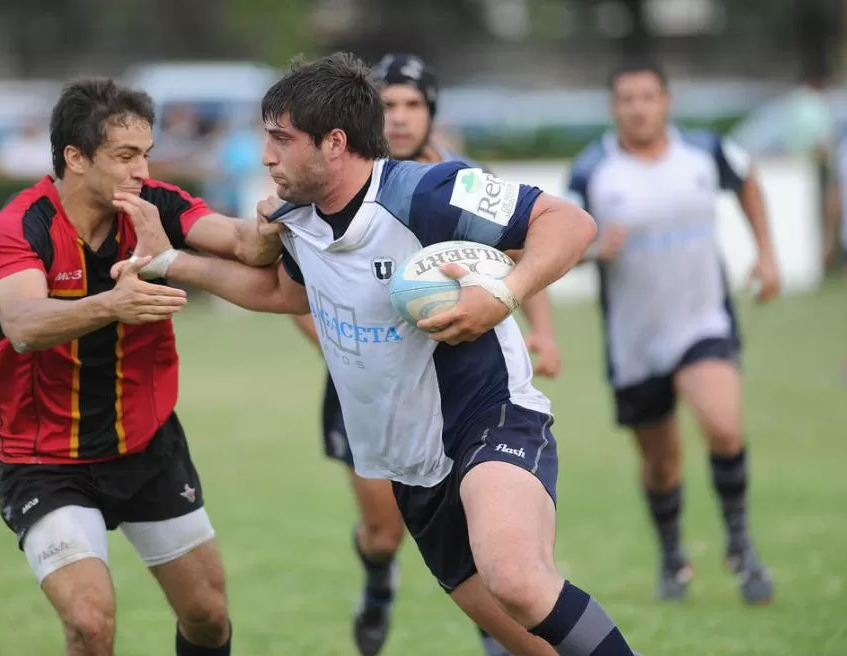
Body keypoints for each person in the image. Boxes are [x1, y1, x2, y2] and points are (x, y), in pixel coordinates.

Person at [120, 52, 638, 656]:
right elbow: (281, 291)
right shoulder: (298, 217)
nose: (266, 156)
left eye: (281, 140)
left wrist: (503, 294)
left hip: (489, 419)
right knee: (536, 647)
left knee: (517, 579)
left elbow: (569, 221)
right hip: (410, 464)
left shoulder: (428, 192)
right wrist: (166, 262)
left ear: (334, 143)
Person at [0, 77, 282, 656]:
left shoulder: (158, 206)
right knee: (90, 625)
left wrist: (270, 226)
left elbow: (244, 245)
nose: (142, 169)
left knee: (208, 617)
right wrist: (112, 305)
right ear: (75, 157)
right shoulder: (22, 225)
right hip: (46, 458)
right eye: (124, 156)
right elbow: (22, 325)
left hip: (146, 447)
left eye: (145, 153)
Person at [288, 53, 561, 656]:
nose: (401, 116)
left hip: (457, 388)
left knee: (502, 552)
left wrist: (538, 328)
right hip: (363, 385)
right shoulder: (313, 196)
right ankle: (380, 583)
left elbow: (514, 257)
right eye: (389, 104)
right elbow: (295, 287)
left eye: (414, 104)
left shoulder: (447, 185)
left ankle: (497, 639)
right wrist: (343, 346)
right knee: (383, 532)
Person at [565, 60, 779, 604]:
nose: (638, 107)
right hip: (635, 340)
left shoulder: (704, 152)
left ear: (667, 101)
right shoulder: (593, 169)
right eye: (627, 99)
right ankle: (672, 558)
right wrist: (592, 250)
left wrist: (767, 255)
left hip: (703, 320)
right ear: (614, 108)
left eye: (648, 96)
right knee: (661, 463)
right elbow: (562, 241)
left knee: (724, 427)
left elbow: (749, 180)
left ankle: (740, 545)